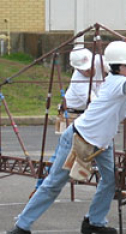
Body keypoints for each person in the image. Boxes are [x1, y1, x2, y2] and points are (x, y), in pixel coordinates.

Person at [7, 40, 126, 234]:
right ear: (117, 67)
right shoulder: (116, 83)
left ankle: (94, 221)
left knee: (110, 181)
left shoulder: (123, 79)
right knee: (54, 184)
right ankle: (22, 226)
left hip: (102, 143)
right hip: (79, 138)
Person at [30, 48, 106, 197]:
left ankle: (109, 185)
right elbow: (96, 104)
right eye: (85, 70)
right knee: (61, 155)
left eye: (91, 67)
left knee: (101, 152)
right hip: (73, 115)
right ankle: (40, 187)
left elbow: (117, 61)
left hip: (87, 115)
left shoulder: (99, 61)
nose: (90, 70)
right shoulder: (79, 83)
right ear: (76, 68)